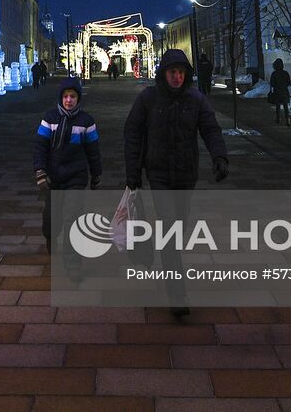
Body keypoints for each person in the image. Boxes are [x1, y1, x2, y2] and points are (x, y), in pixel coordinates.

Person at [124, 48, 228, 318]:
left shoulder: (196, 99)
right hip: (157, 172)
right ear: (164, 73)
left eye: (181, 73)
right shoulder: (148, 98)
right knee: (170, 229)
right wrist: (132, 171)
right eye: (173, 72)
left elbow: (210, 129)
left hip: (185, 173)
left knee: (178, 229)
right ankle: (177, 293)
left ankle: (170, 262)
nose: (177, 77)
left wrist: (220, 157)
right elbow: (132, 134)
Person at [34, 77, 103, 255]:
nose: (69, 100)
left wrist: (96, 175)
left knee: (73, 217)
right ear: (60, 98)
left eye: (72, 96)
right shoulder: (50, 118)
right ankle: (51, 239)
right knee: (51, 217)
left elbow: (93, 151)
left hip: (76, 176)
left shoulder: (86, 121)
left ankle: (72, 262)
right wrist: (40, 170)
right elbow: (40, 146)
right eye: (65, 96)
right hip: (53, 175)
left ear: (78, 98)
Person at [269, 58, 291, 126]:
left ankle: (278, 118)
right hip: (285, 92)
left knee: (278, 106)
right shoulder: (285, 73)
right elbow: (289, 82)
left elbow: (272, 84)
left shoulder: (274, 73)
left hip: (277, 92)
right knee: (285, 107)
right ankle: (288, 120)